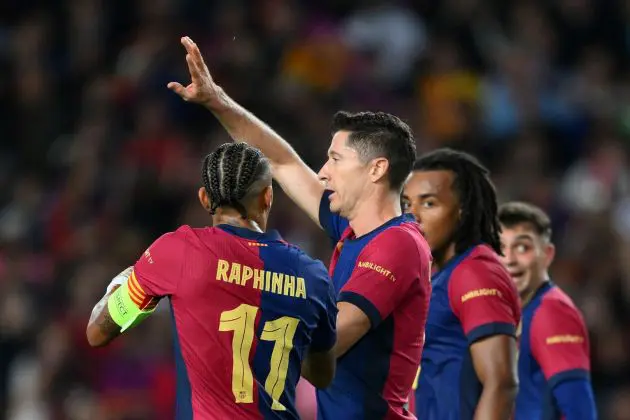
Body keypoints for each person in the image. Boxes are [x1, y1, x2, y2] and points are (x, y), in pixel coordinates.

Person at [167, 36, 432, 419]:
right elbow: (282, 162)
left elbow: (327, 344)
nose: (322, 172)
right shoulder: (352, 228)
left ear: (376, 169)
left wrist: (242, 301)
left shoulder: (399, 246)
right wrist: (217, 101)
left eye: (335, 160)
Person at [86, 142, 338, 419]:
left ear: (204, 198)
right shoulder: (313, 275)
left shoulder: (178, 251)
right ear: (268, 197)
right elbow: (323, 375)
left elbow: (97, 333)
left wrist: (126, 279)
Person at [402, 148, 520, 420]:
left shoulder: (475, 272)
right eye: (408, 204)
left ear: (462, 211)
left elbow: (501, 383)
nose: (413, 216)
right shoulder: (438, 274)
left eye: (429, 203)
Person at [498, 201, 597, 420]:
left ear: (548, 254)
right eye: (501, 248)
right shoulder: (516, 313)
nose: (510, 260)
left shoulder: (552, 312)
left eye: (523, 247)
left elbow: (578, 407)